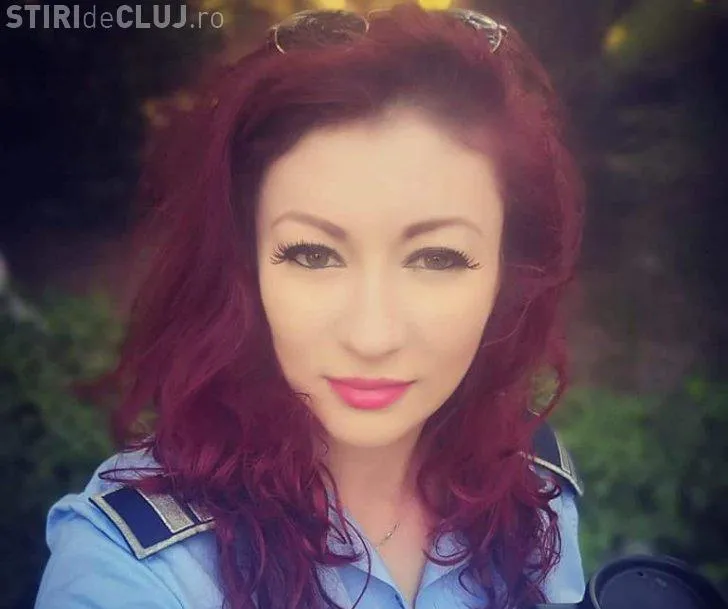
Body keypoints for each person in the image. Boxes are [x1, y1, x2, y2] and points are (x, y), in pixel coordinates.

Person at [34, 4, 586, 609]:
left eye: (437, 258)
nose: (372, 335)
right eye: (313, 255)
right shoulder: (138, 564)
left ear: (510, 273)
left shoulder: (534, 489)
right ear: (244, 267)